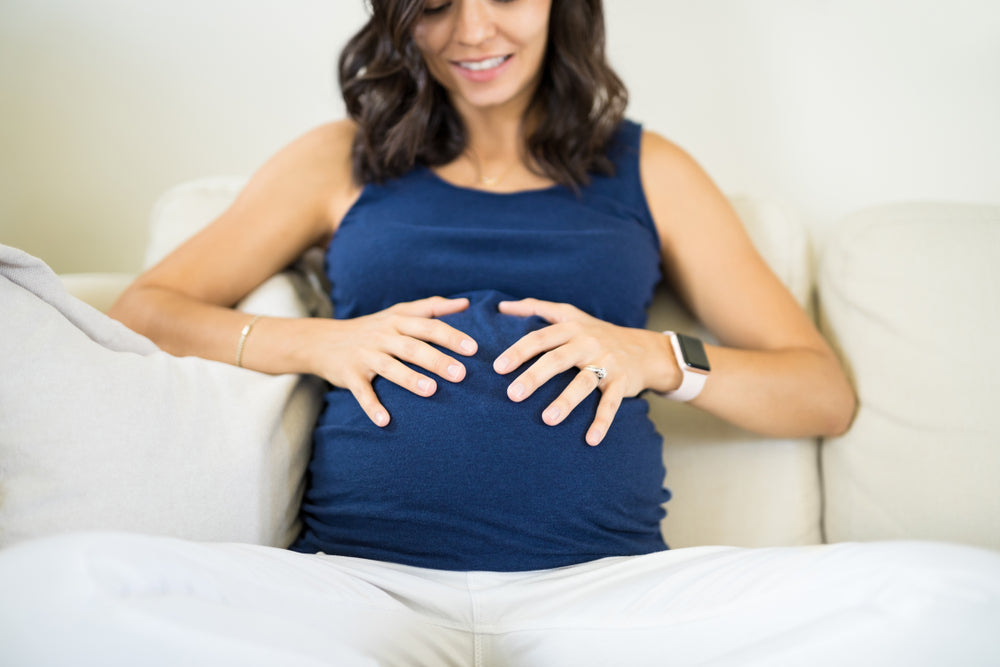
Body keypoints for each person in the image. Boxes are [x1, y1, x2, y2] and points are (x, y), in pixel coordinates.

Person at [8, 0, 998, 664]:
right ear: (401, 18)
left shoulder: (649, 169)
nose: (472, 30)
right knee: (54, 587)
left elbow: (816, 391)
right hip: (358, 587)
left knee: (950, 596)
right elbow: (148, 307)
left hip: (614, 592)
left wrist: (657, 356)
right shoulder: (337, 161)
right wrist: (320, 345)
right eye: (437, 1)